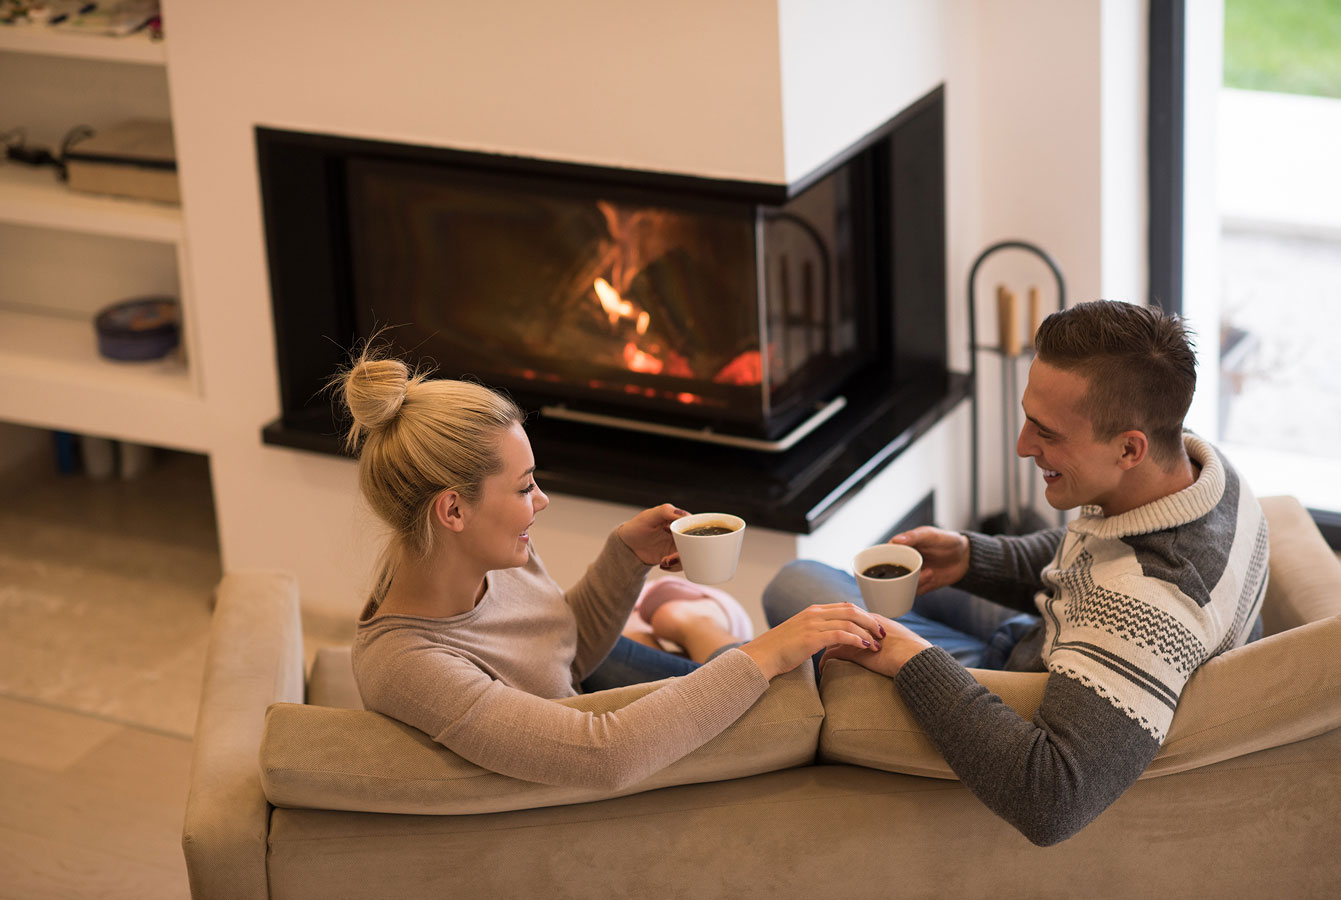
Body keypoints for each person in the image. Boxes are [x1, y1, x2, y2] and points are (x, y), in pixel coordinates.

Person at [763, 300, 1270, 845]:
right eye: (1029, 417)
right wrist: (971, 558)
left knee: (797, 587)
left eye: (1047, 433)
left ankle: (713, 650)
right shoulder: (1204, 473)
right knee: (845, 579)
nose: (1024, 446)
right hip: (1047, 633)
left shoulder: (1146, 605)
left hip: (1017, 678)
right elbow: (1099, 552)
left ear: (1129, 447)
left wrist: (914, 661)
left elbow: (1051, 799)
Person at [336, 344, 886, 791]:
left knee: (798, 678)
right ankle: (696, 628)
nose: (542, 501)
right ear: (453, 509)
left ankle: (688, 627)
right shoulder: (408, 667)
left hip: (581, 705)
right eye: (525, 487)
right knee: (799, 697)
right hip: (596, 788)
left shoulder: (478, 552)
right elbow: (605, 754)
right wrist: (763, 651)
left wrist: (625, 558)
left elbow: (557, 654)